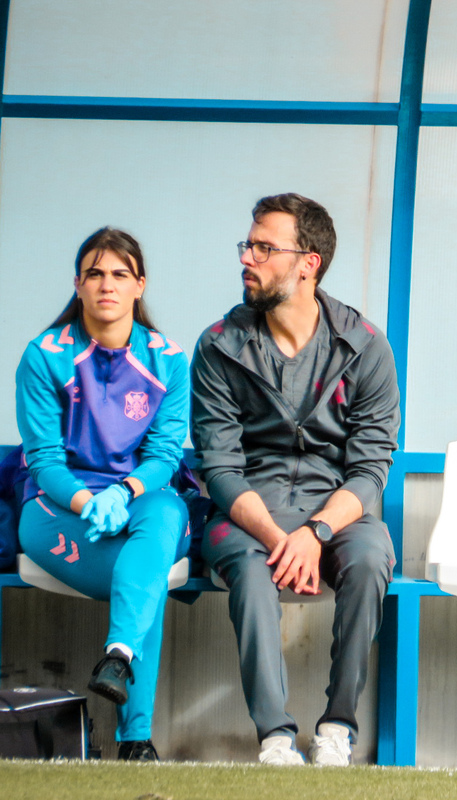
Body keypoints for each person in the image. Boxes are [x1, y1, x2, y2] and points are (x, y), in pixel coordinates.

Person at [192, 193, 400, 766]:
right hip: (246, 513)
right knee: (253, 573)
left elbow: (370, 469)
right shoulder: (218, 346)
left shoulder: (365, 346)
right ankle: (275, 737)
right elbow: (220, 469)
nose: (247, 258)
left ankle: (337, 728)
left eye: (265, 247)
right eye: (248, 244)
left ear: (308, 262)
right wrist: (279, 538)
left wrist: (315, 533)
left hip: (334, 512)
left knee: (372, 556)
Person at [16, 227, 191, 761]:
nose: (106, 285)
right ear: (78, 284)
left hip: (137, 498)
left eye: (119, 274)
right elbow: (44, 461)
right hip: (57, 509)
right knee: (146, 576)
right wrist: (87, 501)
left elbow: (165, 454)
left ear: (140, 285)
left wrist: (123, 491)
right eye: (94, 273)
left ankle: (118, 655)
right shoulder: (44, 355)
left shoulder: (168, 359)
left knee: (165, 515)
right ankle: (135, 738)